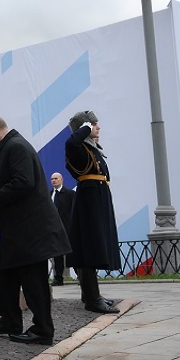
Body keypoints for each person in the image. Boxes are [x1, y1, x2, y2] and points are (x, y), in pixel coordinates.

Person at [0, 114, 72, 345]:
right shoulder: (10, 146)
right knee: (5, 268)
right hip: (20, 228)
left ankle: (42, 330)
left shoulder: (16, 146)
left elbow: (23, 182)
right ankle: (9, 320)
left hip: (31, 229)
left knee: (33, 279)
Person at [65, 110, 121, 314]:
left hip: (97, 197)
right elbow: (71, 143)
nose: (97, 127)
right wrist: (85, 128)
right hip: (89, 199)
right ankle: (92, 299)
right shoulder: (77, 147)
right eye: (93, 125)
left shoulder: (92, 148)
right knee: (88, 249)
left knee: (93, 247)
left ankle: (91, 294)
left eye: (95, 124)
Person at [49, 172, 75, 286]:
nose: (54, 180)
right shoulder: (49, 194)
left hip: (68, 228)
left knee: (72, 252)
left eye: (56, 178)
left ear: (61, 179)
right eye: (52, 179)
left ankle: (80, 276)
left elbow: (74, 210)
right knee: (57, 254)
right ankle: (58, 278)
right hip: (55, 229)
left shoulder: (69, 194)